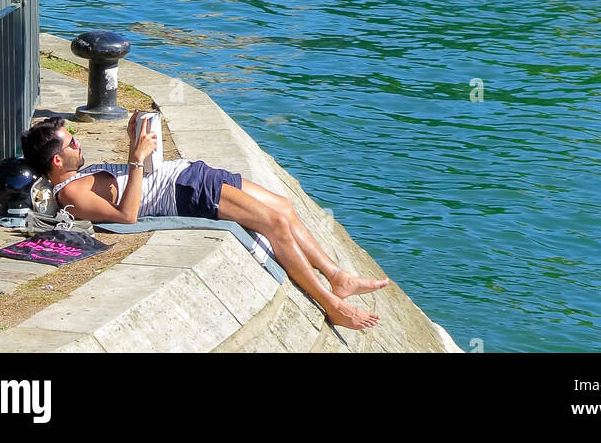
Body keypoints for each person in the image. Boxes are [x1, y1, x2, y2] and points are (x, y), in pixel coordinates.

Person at [21, 116, 387, 332]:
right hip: (185, 191)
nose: (78, 144)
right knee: (274, 223)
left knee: (284, 207)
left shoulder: (79, 175)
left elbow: (128, 184)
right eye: (71, 144)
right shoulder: (72, 194)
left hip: (190, 174)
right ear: (56, 161)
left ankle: (337, 276)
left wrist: (137, 139)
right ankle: (331, 305)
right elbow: (127, 215)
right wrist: (135, 159)